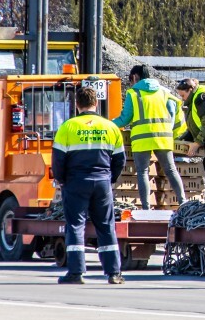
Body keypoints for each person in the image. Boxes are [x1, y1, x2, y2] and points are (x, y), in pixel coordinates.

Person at [52, 85, 126, 285]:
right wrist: (109, 179)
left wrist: (62, 180)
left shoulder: (67, 127)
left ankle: (76, 273)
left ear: (77, 105)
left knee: (76, 225)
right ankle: (114, 273)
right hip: (102, 181)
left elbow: (58, 160)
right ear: (96, 103)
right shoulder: (111, 127)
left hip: (75, 182)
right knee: (106, 226)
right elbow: (120, 160)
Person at [111, 64, 186, 210]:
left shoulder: (133, 93)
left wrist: (107, 123)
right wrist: (174, 134)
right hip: (163, 137)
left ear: (134, 77)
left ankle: (146, 208)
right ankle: (183, 203)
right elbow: (175, 113)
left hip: (142, 139)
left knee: (142, 172)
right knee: (171, 170)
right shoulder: (164, 92)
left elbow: (125, 119)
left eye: (130, 79)